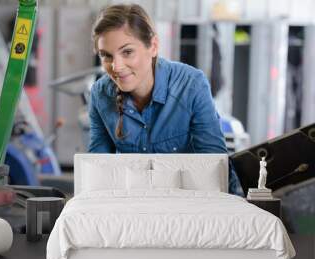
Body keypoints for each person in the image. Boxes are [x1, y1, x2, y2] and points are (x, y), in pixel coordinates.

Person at [88, 4, 242, 196]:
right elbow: (98, 172)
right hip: (135, 206)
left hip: (190, 204)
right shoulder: (100, 95)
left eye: (127, 52)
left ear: (153, 46)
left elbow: (216, 170)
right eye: (106, 55)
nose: (116, 66)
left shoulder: (190, 85)